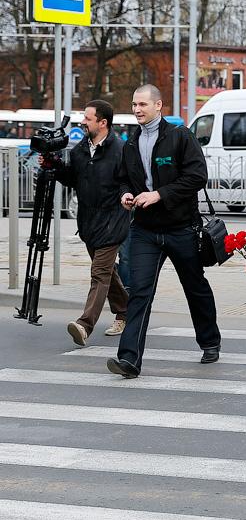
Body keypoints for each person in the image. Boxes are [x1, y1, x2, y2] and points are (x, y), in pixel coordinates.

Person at [107, 85, 221, 378]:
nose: (137, 109)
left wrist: (159, 194)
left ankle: (209, 341)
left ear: (159, 105)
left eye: (142, 104)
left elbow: (197, 176)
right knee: (140, 293)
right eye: (134, 104)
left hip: (181, 228)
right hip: (145, 230)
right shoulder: (130, 143)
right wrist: (126, 195)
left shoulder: (179, 136)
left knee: (195, 287)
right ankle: (129, 359)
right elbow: (122, 180)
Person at [40, 100, 129, 345]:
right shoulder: (81, 149)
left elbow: (128, 182)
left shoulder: (120, 150)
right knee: (108, 273)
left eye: (87, 119)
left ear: (103, 123)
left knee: (99, 273)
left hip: (113, 222)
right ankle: (126, 312)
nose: (82, 122)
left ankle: (84, 324)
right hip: (89, 223)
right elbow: (74, 179)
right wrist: (56, 167)